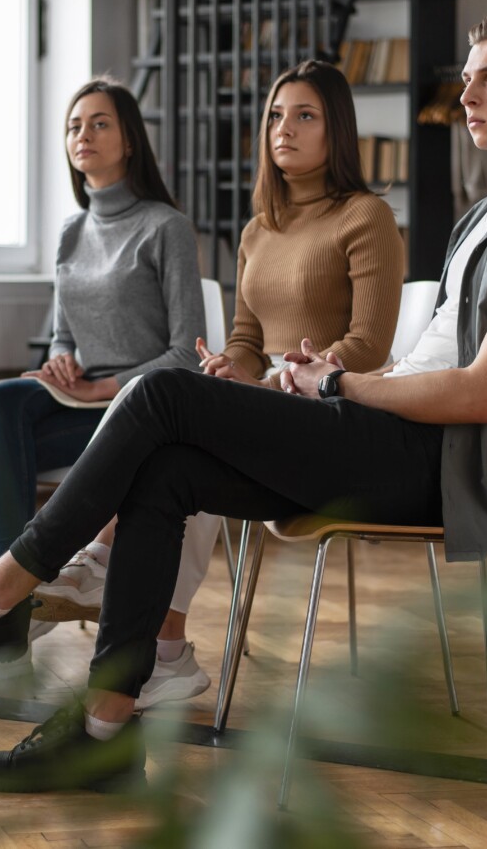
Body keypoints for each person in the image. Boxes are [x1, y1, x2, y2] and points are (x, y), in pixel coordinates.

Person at [0, 5, 487, 793]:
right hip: (390, 429)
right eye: (466, 79)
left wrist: (340, 382)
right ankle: (102, 732)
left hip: (447, 465)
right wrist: (332, 380)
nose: (468, 96)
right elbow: (429, 361)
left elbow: (482, 393)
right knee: (167, 470)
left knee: (161, 399)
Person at [32, 60, 405, 710]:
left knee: (186, 426)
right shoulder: (260, 230)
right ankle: (166, 650)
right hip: (268, 412)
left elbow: (368, 346)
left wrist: (265, 381)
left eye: (305, 115)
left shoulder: (366, 217)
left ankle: (102, 568)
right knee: (183, 448)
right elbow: (244, 336)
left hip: (336, 420)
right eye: (274, 116)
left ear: (336, 130)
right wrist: (232, 367)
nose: (283, 129)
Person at [0, 77, 206, 683]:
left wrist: (102, 389)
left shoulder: (165, 228)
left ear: (130, 139)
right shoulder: (70, 231)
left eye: (99, 123)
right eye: (73, 126)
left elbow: (185, 356)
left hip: (138, 410)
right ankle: (17, 603)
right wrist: (62, 361)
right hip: (79, 399)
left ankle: (5, 616)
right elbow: (63, 334)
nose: (82, 134)